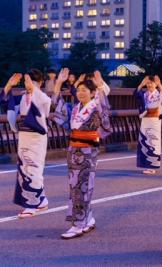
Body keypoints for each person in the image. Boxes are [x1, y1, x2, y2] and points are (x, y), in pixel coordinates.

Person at [53, 68, 111, 239]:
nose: (80, 93)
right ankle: (88, 218)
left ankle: (78, 224)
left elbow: (105, 113)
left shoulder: (96, 106)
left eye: (84, 90)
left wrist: (100, 86)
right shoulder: (76, 108)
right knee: (75, 186)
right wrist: (58, 83)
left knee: (82, 187)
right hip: (73, 151)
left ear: (92, 93)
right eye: (78, 90)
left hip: (88, 151)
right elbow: (58, 107)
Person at [0, 70, 51, 218]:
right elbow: (6, 103)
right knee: (24, 168)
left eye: (35, 81)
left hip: (37, 137)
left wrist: (33, 89)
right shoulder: (22, 98)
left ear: (40, 83)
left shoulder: (43, 98)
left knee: (33, 168)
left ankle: (32, 204)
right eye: (29, 81)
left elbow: (45, 110)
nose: (30, 84)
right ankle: (41, 201)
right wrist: (9, 85)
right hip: (24, 136)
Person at [136, 75, 162, 175]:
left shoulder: (159, 94)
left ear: (155, 84)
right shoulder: (144, 94)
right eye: (148, 83)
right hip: (145, 121)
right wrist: (141, 84)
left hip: (155, 121)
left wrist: (160, 84)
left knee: (153, 142)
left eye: (152, 83)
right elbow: (136, 94)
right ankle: (146, 165)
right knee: (144, 142)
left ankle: (152, 166)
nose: (150, 84)